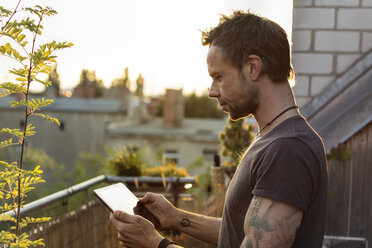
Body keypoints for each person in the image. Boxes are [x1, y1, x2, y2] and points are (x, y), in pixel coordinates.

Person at [110, 10, 328, 248]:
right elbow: (241, 233)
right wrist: (176, 218)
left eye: (218, 77)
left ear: (253, 68)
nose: (212, 91)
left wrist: (154, 244)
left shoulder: (288, 149)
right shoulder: (274, 139)